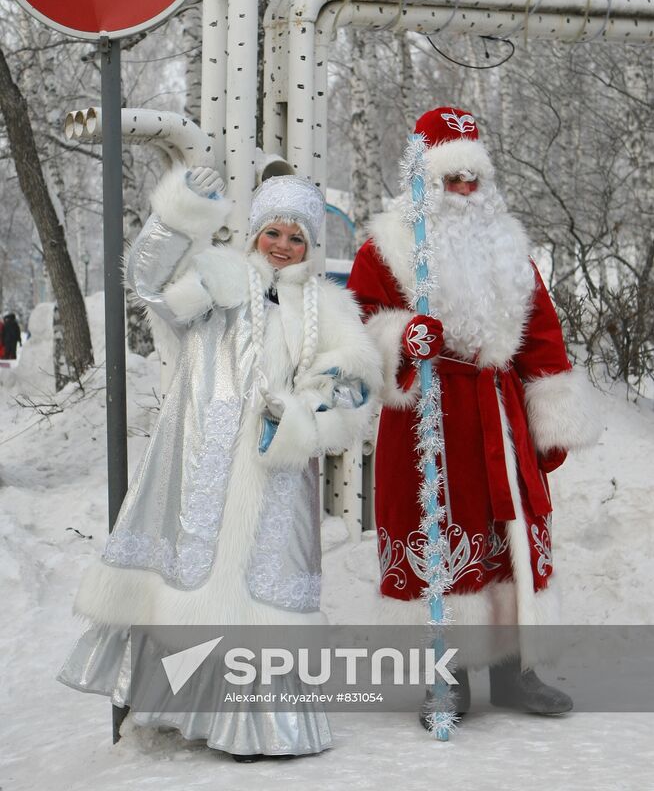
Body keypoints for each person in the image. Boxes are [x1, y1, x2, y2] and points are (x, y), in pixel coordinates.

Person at [59, 165, 380, 759]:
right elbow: (150, 284)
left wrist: (303, 411)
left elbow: (355, 389)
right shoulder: (219, 278)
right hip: (205, 463)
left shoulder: (331, 310)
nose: (282, 246)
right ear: (254, 232)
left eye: (297, 237)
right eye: (273, 232)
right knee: (197, 583)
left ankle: (261, 727)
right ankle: (186, 708)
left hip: (277, 472)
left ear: (311, 246)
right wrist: (181, 212)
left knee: (265, 595)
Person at [346, 106, 600, 719]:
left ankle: (517, 672)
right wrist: (402, 337)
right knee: (441, 534)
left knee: (509, 537)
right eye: (451, 179)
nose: (464, 190)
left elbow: (541, 333)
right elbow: (359, 326)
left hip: (499, 409)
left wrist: (551, 415)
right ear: (426, 181)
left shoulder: (509, 247)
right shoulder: (387, 248)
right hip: (427, 415)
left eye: (473, 179)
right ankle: (448, 677)